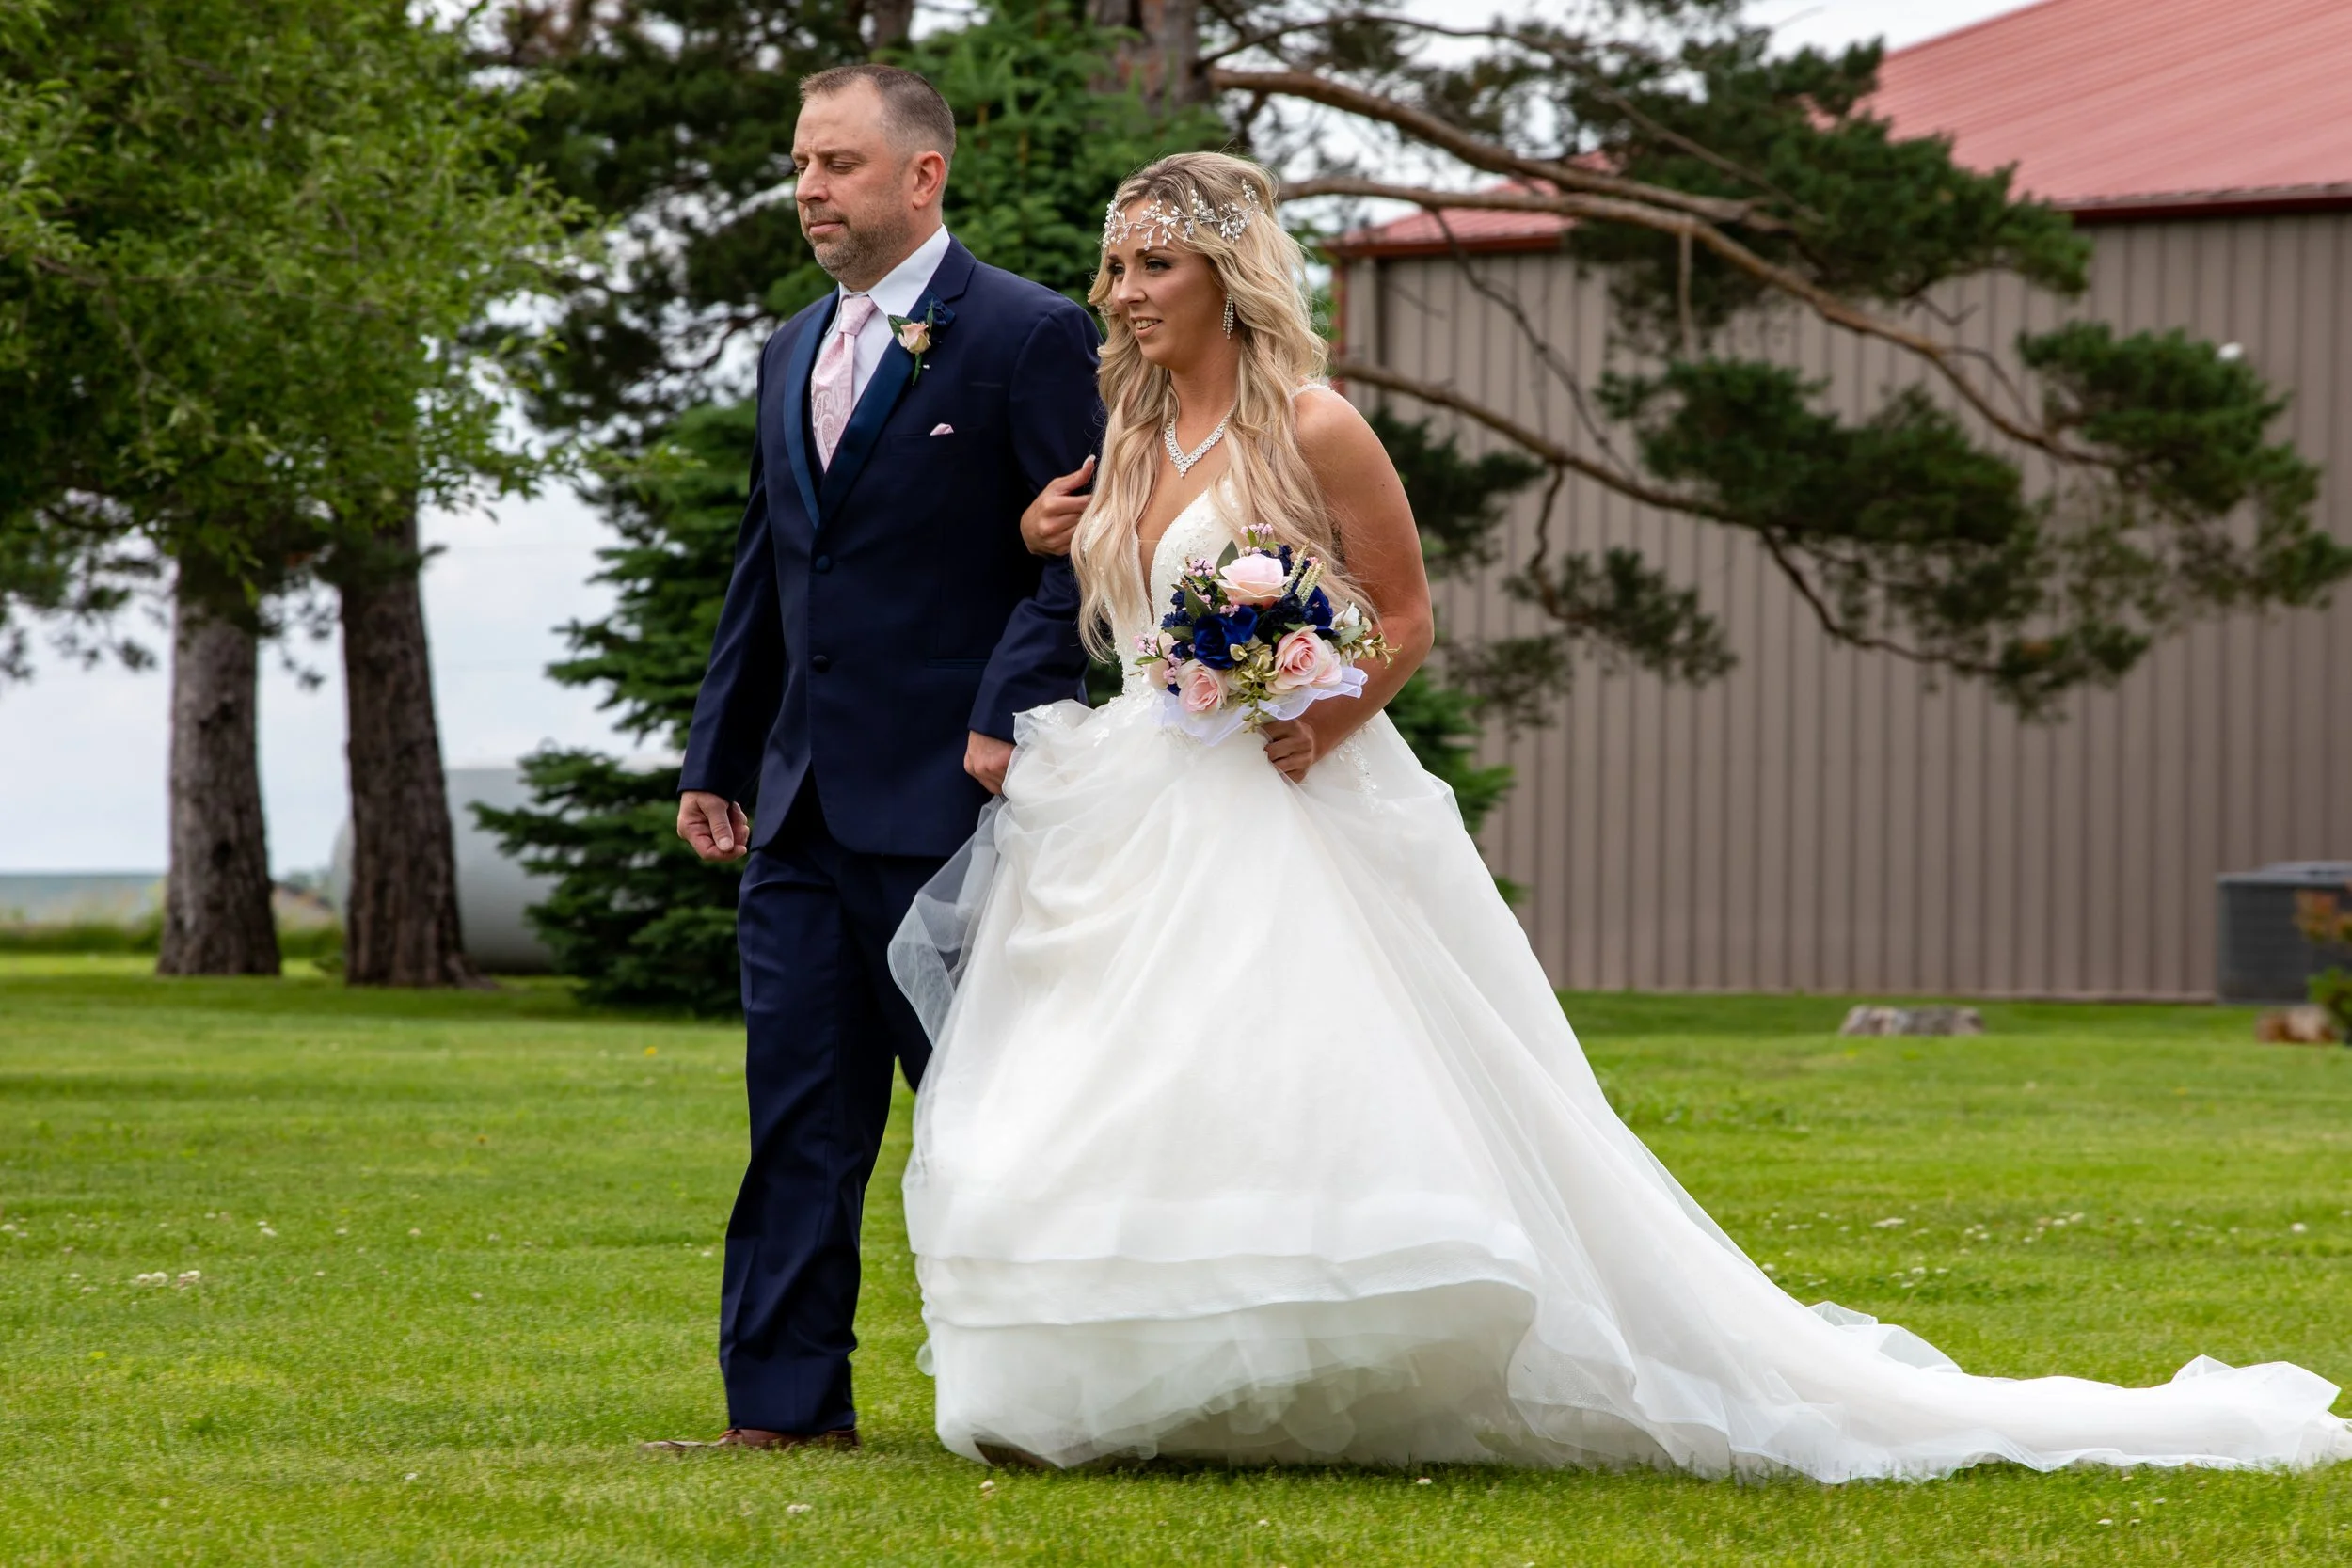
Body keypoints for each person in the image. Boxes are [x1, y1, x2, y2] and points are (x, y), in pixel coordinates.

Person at [887, 150, 2352, 1477]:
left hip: (1285, 798)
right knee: (1117, 1086)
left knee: (1289, 1078)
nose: (1128, 294)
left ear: (1231, 274)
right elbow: (1108, 619)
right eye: (1121, 265)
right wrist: (1043, 540)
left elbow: (1405, 618)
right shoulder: (1126, 444)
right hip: (1134, 791)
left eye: (1159, 265)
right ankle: (1137, 1379)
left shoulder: (1314, 428)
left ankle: (1317, 1365)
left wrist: (1325, 710)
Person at [649, 63, 1102, 1452]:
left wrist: (1005, 713)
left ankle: (1043, 1398)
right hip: (795, 811)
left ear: (924, 178)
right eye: (801, 163)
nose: (808, 189)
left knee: (993, 1123)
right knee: (797, 1121)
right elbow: (769, 571)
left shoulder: (1031, 335)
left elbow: (1088, 543)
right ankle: (782, 1413)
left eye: (839, 164)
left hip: (955, 811)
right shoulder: (790, 348)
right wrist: (716, 752)